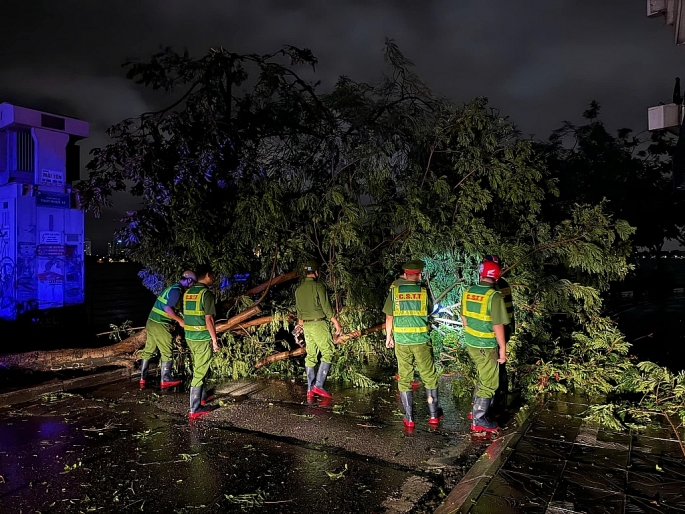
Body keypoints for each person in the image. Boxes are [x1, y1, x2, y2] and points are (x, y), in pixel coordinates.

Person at [383, 260, 442, 430]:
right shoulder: (423, 292)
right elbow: (430, 310)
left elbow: (389, 317)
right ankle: (433, 416)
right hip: (421, 340)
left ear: (405, 274)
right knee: (429, 376)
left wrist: (389, 337)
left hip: (402, 340)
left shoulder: (395, 292)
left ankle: (409, 418)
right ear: (418, 275)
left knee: (405, 377)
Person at [461, 260, 510, 433]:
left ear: (481, 274)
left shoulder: (468, 292)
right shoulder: (494, 296)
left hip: (471, 343)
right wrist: (502, 350)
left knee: (484, 375)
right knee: (490, 381)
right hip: (486, 346)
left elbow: (464, 318)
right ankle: (479, 420)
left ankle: (476, 413)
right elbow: (498, 326)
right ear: (496, 276)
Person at [139, 270, 197, 389]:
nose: (193, 286)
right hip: (160, 324)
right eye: (193, 283)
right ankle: (165, 379)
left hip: (151, 322)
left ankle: (142, 379)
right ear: (190, 280)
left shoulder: (172, 287)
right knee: (167, 351)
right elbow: (168, 309)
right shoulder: (177, 290)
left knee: (149, 350)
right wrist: (180, 321)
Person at [295, 260, 343, 400]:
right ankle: (319, 385)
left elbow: (300, 314)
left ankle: (310, 389)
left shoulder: (298, 290)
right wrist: (336, 323)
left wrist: (299, 330)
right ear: (316, 272)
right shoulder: (318, 287)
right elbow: (327, 308)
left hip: (307, 326)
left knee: (311, 355)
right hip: (319, 324)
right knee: (328, 352)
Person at [183, 266, 220, 420]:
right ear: (207, 275)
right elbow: (209, 320)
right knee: (200, 371)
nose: (214, 278)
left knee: (199, 366)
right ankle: (195, 408)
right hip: (202, 337)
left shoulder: (188, 293)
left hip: (190, 336)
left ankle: (202, 397)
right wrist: (214, 340)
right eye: (213, 275)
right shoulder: (206, 294)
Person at [483, 255, 514, 416]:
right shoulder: (503, 284)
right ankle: (498, 404)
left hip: (495, 333)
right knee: (499, 368)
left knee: (494, 369)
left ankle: (494, 405)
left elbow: (496, 318)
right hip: (504, 330)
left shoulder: (494, 289)